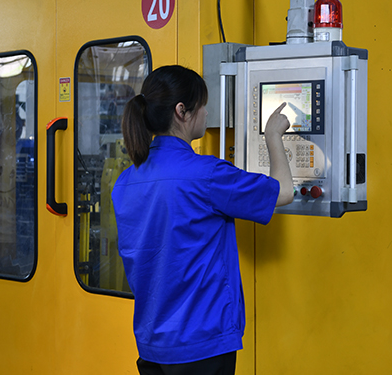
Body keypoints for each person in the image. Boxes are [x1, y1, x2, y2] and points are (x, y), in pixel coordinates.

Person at [112, 65, 294, 375]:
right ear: (181, 111)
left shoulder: (126, 181)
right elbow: (284, 191)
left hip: (152, 346)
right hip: (201, 345)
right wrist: (273, 135)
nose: (207, 113)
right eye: (203, 105)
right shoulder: (207, 175)